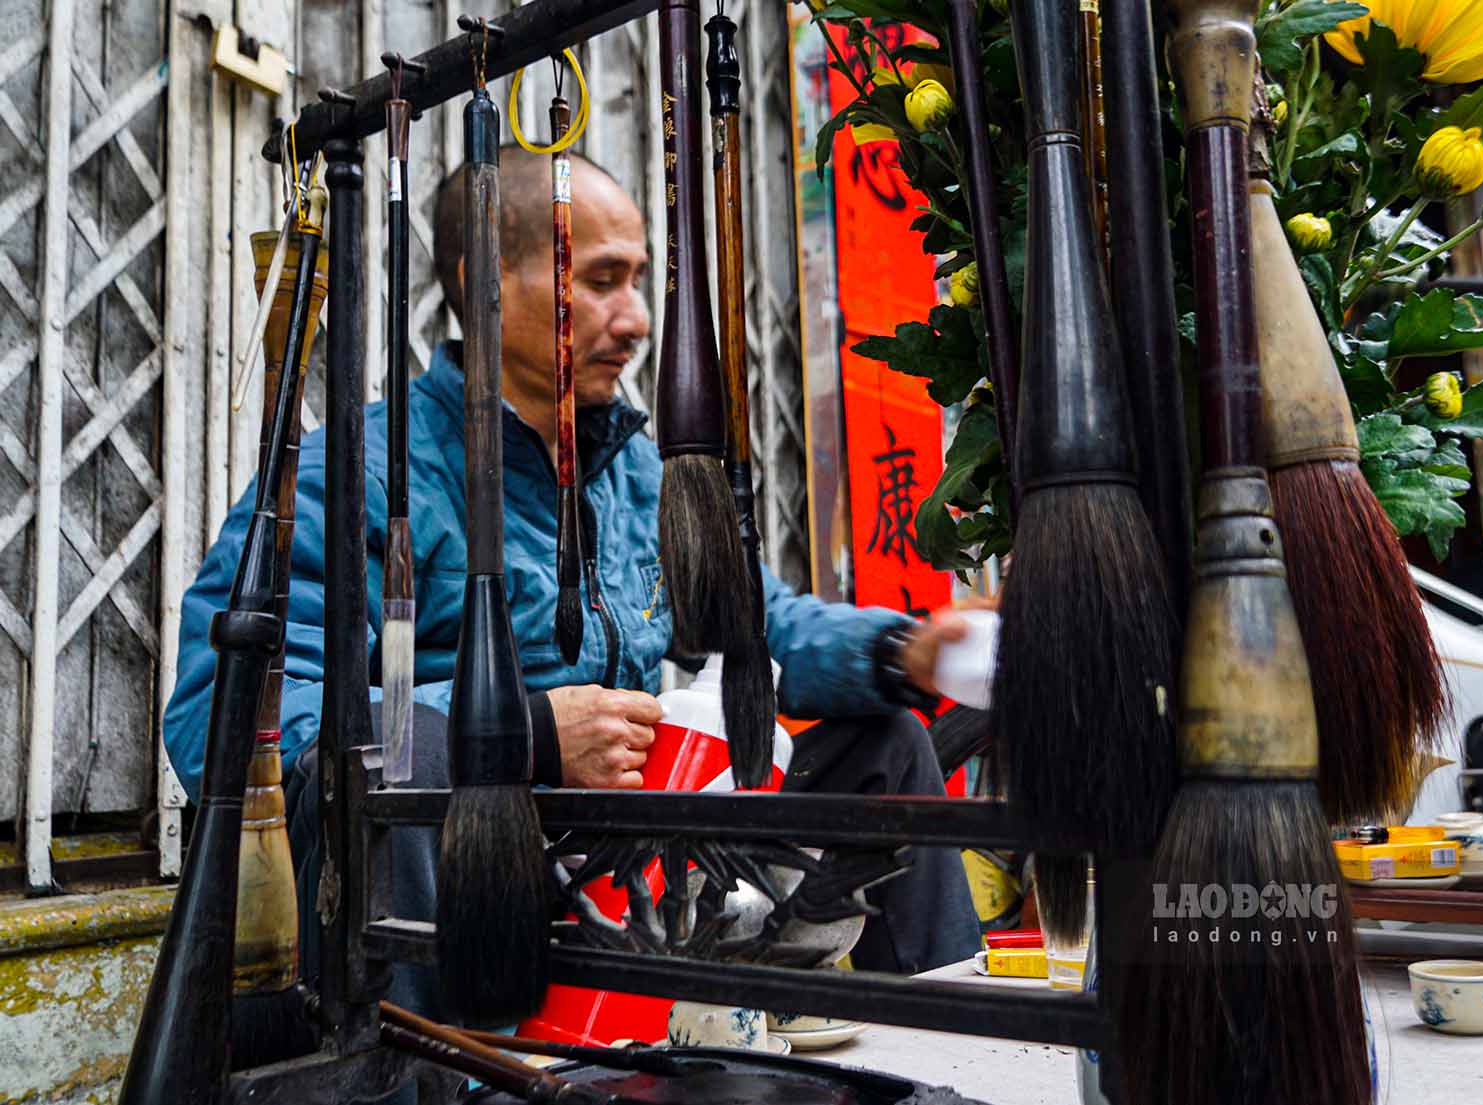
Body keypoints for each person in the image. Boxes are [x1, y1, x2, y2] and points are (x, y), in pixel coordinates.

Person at [162, 148, 982, 1023]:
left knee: (885, 745)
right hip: (476, 882)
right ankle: (451, 1073)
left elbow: (759, 626)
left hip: (627, 856)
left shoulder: (632, 471)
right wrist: (517, 736)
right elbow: (223, 716)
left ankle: (949, 1040)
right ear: (486, 287)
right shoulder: (360, 474)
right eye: (600, 281)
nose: (633, 320)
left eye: (636, 281)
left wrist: (905, 650)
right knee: (381, 783)